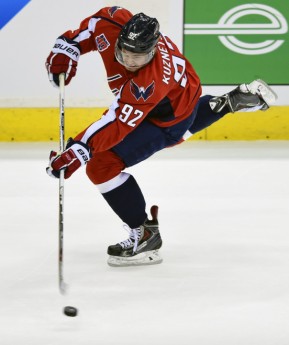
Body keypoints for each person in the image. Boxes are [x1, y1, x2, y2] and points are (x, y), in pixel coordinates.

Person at [45, 6, 277, 267]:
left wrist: (79, 150)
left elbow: (118, 122)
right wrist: (69, 47)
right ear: (121, 37)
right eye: (125, 52)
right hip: (182, 93)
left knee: (101, 165)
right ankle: (223, 104)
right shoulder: (112, 20)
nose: (130, 61)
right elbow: (92, 27)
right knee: (169, 121)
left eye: (139, 57)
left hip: (168, 115)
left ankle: (145, 237)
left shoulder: (149, 81)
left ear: (153, 51)